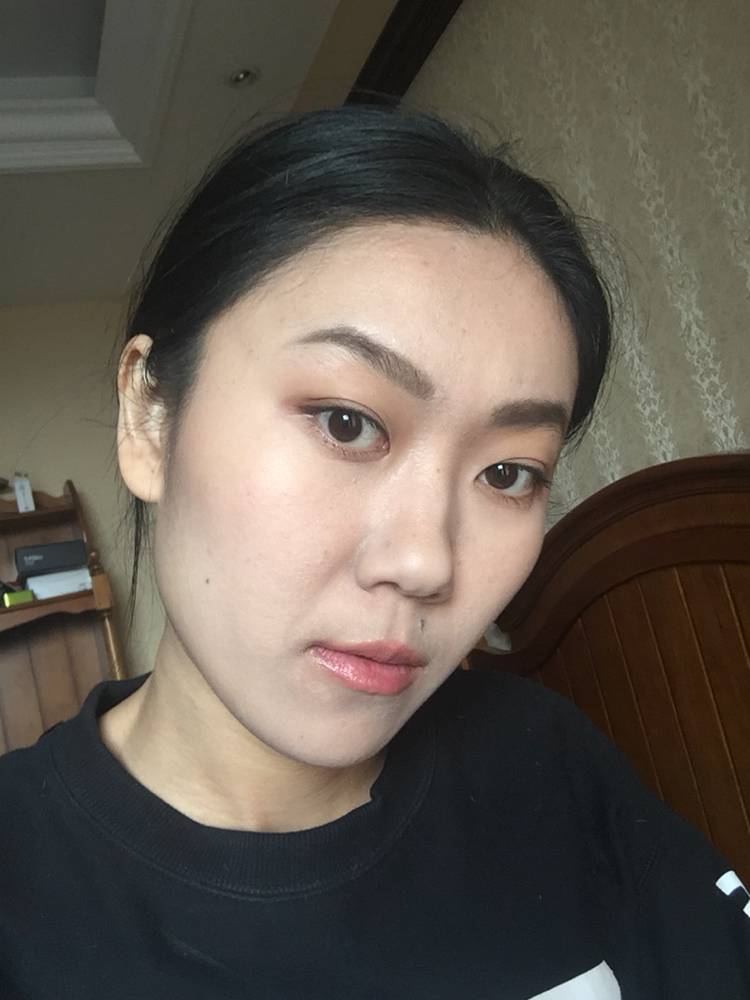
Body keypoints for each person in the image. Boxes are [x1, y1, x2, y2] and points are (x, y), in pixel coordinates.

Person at [0, 105, 748, 999]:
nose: (427, 563)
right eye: (348, 422)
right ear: (149, 418)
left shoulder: (538, 753)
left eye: (508, 473)